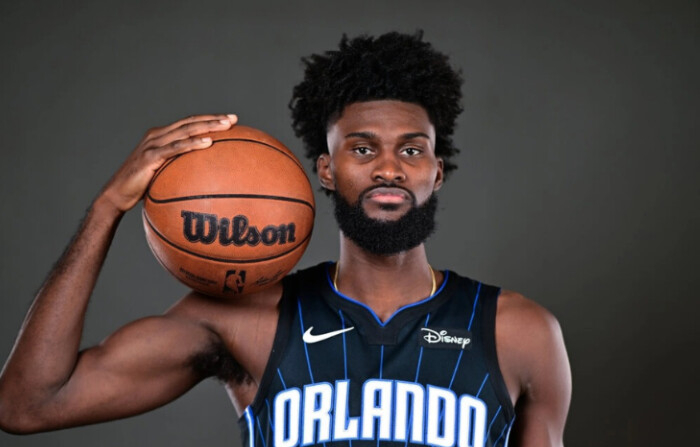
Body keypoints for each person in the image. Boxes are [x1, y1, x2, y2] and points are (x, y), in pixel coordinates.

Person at [0, 31, 571, 446]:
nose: (390, 168)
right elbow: (29, 405)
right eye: (363, 148)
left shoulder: (520, 332)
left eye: (412, 150)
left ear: (436, 172)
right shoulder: (247, 319)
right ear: (326, 170)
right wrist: (107, 209)